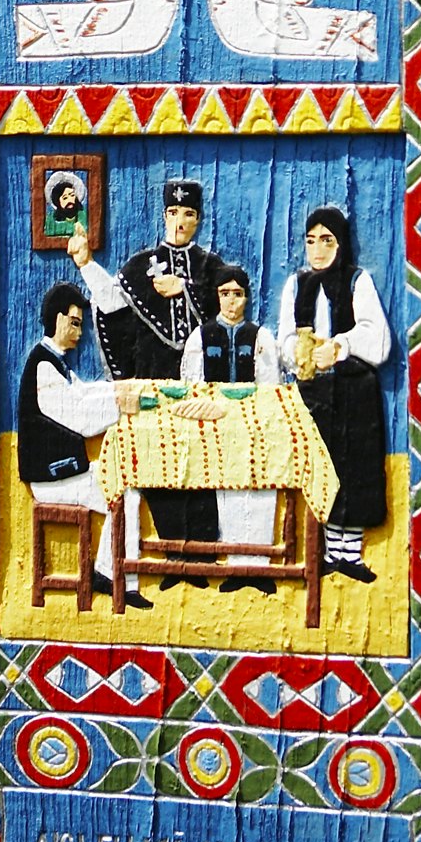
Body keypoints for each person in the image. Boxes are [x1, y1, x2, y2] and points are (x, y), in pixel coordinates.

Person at [67, 178, 243, 582]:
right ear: (164, 216)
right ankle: (173, 559)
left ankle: (200, 558)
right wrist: (86, 264)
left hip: (200, 384)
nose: (180, 221)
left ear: (198, 220)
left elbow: (231, 306)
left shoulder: (212, 269)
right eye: (173, 213)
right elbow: (112, 306)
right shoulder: (140, 266)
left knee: (201, 467)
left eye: (189, 214)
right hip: (153, 380)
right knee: (158, 468)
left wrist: (186, 289)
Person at [275, 205, 390, 584]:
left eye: (327, 240)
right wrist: (298, 352)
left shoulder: (358, 282)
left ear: (340, 244)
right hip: (315, 392)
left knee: (353, 467)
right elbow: (285, 336)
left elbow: (377, 336)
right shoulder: (297, 284)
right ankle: (325, 550)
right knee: (320, 467)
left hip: (354, 391)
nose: (318, 249)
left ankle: (349, 553)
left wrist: (341, 346)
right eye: (311, 241)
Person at [16, 283, 145, 607]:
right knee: (124, 491)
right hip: (52, 477)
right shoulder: (43, 365)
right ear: (57, 320)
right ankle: (120, 580)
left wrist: (118, 390)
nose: (79, 332)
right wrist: (120, 406)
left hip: (64, 471)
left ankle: (108, 570)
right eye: (74, 323)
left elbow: (84, 393)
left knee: (124, 481)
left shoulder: (55, 362)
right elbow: (80, 418)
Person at [180, 271, 280, 593]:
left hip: (255, 426)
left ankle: (261, 568)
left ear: (246, 297)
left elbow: (270, 383)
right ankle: (238, 567)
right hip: (217, 428)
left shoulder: (260, 336)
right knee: (229, 494)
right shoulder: (201, 336)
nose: (231, 300)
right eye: (225, 293)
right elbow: (191, 383)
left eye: (237, 293)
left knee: (261, 492)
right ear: (217, 296)